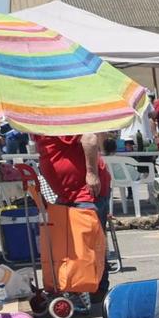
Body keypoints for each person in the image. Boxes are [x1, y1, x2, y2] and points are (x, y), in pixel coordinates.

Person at [31, 129, 111, 302]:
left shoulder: (60, 124)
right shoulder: (38, 129)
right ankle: (78, 287)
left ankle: (96, 291)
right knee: (72, 245)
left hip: (86, 192)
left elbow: (89, 138)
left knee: (90, 244)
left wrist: (91, 173)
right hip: (68, 194)